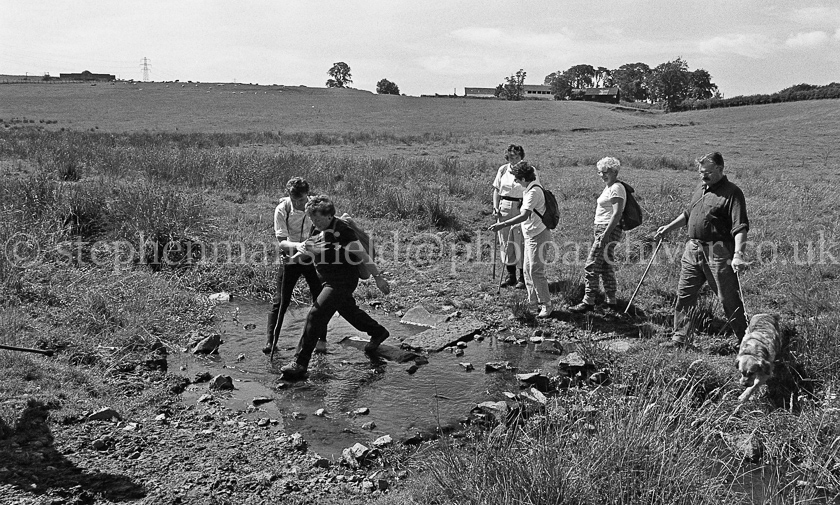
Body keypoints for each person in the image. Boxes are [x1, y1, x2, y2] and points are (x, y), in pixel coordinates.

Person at [280, 195, 391, 379]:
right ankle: (378, 332)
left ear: (329, 215)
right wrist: (292, 260)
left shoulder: (343, 232)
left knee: (316, 314)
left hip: (342, 281)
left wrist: (378, 278)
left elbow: (363, 256)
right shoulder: (319, 228)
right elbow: (310, 249)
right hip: (327, 280)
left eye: (317, 219)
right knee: (348, 311)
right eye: (311, 218)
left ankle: (300, 363)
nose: (313, 222)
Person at [653, 152, 749, 348]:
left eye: (707, 172)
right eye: (700, 172)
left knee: (727, 298)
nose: (703, 176)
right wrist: (668, 228)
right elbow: (688, 214)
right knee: (685, 293)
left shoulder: (732, 193)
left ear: (720, 169)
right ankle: (680, 339)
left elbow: (740, 227)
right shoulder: (701, 188)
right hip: (692, 248)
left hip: (719, 252)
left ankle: (746, 340)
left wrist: (738, 255)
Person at [263, 177, 324, 355]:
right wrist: (300, 247)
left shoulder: (316, 207)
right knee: (280, 300)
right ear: (289, 195)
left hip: (313, 256)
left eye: (302, 200)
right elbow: (282, 242)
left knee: (320, 298)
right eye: (294, 200)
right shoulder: (282, 209)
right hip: (290, 256)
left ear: (307, 195)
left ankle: (321, 340)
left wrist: (310, 247)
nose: (298, 204)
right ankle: (271, 341)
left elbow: (324, 231)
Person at [488, 161, 553, 318]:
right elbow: (528, 216)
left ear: (524, 178)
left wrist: (503, 224)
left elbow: (524, 215)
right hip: (530, 234)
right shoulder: (528, 189)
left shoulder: (533, 192)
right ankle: (533, 304)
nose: (515, 181)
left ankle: (547, 305)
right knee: (528, 271)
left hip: (538, 235)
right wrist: (517, 225)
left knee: (536, 271)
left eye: (517, 179)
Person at [570, 157, 626, 313]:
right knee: (606, 265)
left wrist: (606, 234)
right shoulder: (610, 187)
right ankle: (611, 300)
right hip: (603, 228)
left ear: (614, 172)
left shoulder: (616, 188)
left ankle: (588, 301)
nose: (602, 175)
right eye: (600, 172)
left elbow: (617, 213)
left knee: (591, 264)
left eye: (605, 172)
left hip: (608, 229)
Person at [492, 144, 538, 289]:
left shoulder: (529, 170)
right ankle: (510, 275)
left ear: (521, 156)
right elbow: (497, 190)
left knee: (521, 240)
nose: (514, 159)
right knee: (505, 240)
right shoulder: (503, 169)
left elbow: (534, 189)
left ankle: (523, 276)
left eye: (517, 156)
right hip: (504, 206)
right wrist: (495, 207)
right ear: (507, 157)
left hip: (521, 206)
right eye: (511, 157)